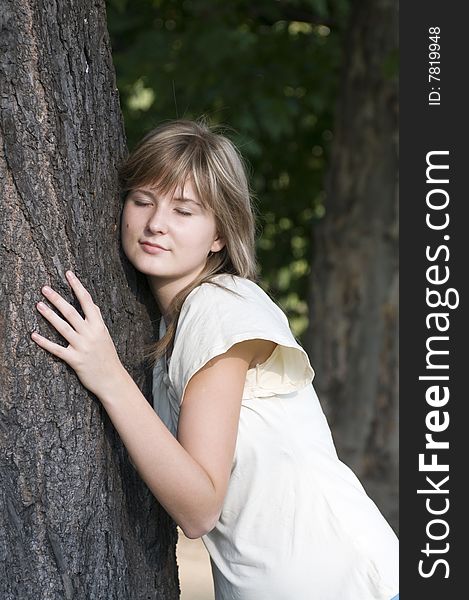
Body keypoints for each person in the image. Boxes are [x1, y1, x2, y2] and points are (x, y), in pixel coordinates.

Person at [31, 118, 399, 599]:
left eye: (184, 211)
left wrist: (108, 375)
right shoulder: (173, 328)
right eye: (143, 200)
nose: (156, 223)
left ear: (220, 236)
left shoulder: (218, 307)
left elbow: (200, 509)